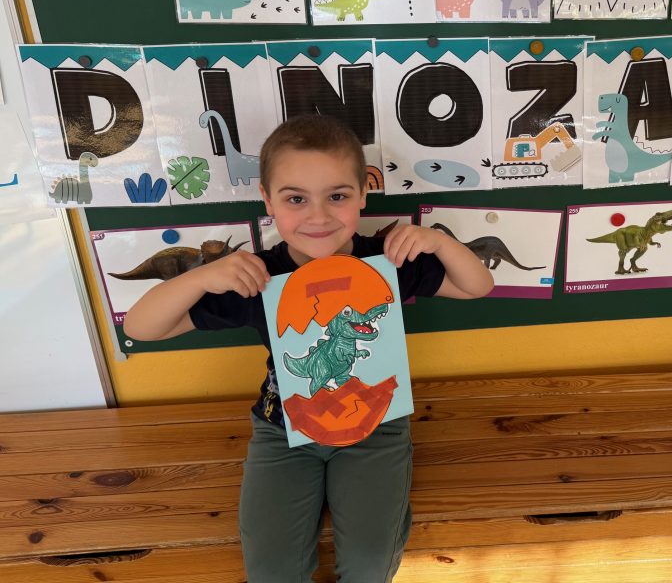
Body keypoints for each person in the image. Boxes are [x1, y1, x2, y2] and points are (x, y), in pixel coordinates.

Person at [123, 115, 494, 582]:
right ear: (268, 200)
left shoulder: (389, 261)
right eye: (296, 198)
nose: (318, 217)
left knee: (370, 563)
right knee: (271, 570)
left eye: (337, 196)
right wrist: (201, 277)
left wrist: (438, 242)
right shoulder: (255, 277)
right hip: (282, 430)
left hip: (374, 427)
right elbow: (141, 327)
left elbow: (477, 286)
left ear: (364, 193)